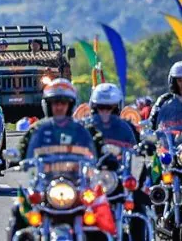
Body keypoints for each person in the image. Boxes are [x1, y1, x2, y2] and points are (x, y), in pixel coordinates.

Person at [8, 78, 103, 239]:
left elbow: (98, 145)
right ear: (48, 105)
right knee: (20, 210)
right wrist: (16, 157)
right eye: (55, 103)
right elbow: (22, 149)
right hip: (45, 185)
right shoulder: (37, 129)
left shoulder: (82, 129)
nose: (59, 107)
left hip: (76, 184)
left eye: (63, 103)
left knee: (99, 219)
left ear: (70, 105)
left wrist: (106, 155)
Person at [83, 83, 148, 241]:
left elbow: (138, 151)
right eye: (101, 108)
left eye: (110, 108)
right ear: (94, 107)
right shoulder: (84, 127)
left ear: (117, 108)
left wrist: (145, 148)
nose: (105, 112)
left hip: (119, 177)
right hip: (93, 179)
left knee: (139, 204)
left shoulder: (128, 128)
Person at [149, 61, 182, 130]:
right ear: (173, 82)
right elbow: (152, 123)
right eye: (180, 80)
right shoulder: (164, 101)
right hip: (168, 140)